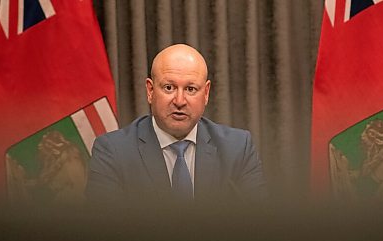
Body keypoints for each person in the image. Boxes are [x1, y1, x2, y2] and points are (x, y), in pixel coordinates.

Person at [86, 44, 264, 207]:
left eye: (190, 89)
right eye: (169, 88)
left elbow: (256, 226)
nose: (179, 101)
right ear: (150, 91)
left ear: (206, 93)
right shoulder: (113, 151)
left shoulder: (237, 148)